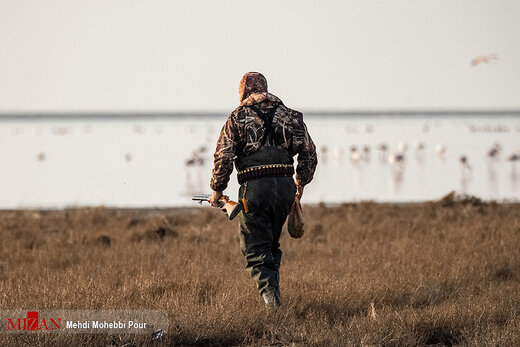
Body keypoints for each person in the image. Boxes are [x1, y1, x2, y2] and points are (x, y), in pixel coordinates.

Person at [209, 72, 317, 307]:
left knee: (256, 250)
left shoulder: (237, 117)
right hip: (285, 189)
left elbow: (223, 155)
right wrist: (300, 186)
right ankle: (275, 300)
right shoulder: (291, 116)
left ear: (243, 93)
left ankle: (272, 305)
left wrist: (217, 190)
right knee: (271, 245)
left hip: (254, 190)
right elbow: (309, 152)